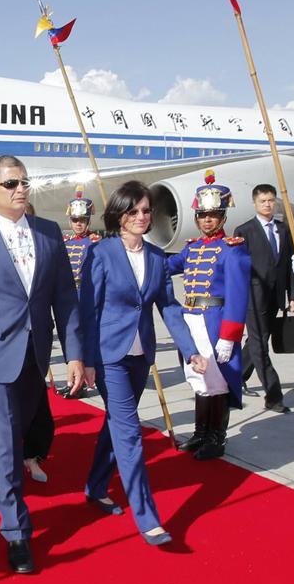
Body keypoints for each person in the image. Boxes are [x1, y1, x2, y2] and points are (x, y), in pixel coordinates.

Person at [0, 155, 83, 574]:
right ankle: (16, 531)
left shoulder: (48, 232)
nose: (20, 189)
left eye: (24, 182)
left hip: (35, 356)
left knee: (15, 434)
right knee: (7, 444)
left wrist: (74, 353)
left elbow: (65, 298)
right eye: (10, 184)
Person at [80, 180, 205, 546]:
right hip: (108, 357)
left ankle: (96, 485)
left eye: (146, 210)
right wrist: (85, 359)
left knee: (117, 423)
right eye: (133, 210)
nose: (141, 216)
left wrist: (191, 350)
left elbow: (168, 306)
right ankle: (148, 518)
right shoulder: (101, 253)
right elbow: (88, 310)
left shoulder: (155, 257)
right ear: (119, 215)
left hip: (140, 356)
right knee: (130, 432)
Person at [167, 171, 251, 460]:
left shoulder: (233, 251)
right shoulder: (191, 249)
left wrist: (229, 336)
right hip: (191, 320)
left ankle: (217, 438)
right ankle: (201, 432)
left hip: (214, 320)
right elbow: (165, 265)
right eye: (202, 214)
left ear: (224, 217)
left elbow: (238, 297)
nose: (207, 220)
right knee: (199, 380)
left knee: (217, 382)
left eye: (214, 215)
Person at [234, 184, 294, 413]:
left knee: (256, 340)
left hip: (276, 296)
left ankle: (236, 375)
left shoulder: (283, 230)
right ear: (255, 203)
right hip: (253, 296)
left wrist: (293, 296)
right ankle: (274, 395)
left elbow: (290, 265)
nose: (268, 204)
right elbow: (237, 270)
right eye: (263, 201)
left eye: (271, 200)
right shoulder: (244, 231)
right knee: (260, 345)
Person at [58, 187, 100, 400]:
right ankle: (72, 381)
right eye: (75, 220)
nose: (78, 224)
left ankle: (81, 385)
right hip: (68, 297)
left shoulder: (93, 244)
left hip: (85, 297)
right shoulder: (66, 243)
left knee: (82, 342)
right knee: (70, 339)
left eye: (82, 219)